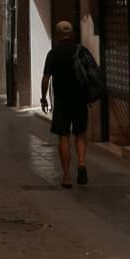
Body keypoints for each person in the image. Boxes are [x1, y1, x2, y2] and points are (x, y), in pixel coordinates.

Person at [40, 20, 89, 188]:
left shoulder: (53, 54)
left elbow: (46, 78)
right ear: (72, 34)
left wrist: (43, 97)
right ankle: (81, 164)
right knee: (80, 132)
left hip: (62, 100)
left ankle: (67, 176)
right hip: (80, 99)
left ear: (57, 35)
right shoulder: (80, 51)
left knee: (64, 136)